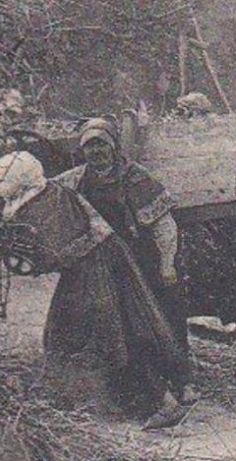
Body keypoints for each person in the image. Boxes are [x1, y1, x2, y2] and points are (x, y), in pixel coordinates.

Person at [0, 152, 192, 430]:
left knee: (111, 334)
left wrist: (30, 258)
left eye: (3, 178)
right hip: (92, 263)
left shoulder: (46, 202)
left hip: (99, 265)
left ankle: (164, 403)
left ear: (19, 180)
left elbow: (54, 253)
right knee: (74, 332)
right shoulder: (41, 194)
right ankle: (100, 400)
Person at [57, 117, 198, 406]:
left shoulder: (136, 178)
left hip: (145, 259)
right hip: (104, 263)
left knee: (164, 317)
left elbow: (165, 225)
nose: (96, 152)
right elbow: (48, 195)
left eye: (102, 145)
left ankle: (182, 382)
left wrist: (167, 264)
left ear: (113, 146)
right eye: (89, 147)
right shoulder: (75, 180)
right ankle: (124, 389)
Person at [171, 92, 236, 339]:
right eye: (184, 113)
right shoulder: (175, 144)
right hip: (194, 214)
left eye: (191, 113)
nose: (187, 119)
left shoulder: (220, 139)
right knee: (199, 263)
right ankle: (204, 319)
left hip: (223, 214)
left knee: (235, 263)